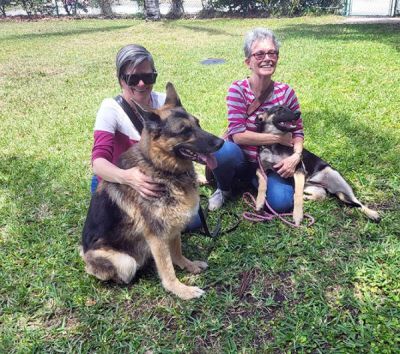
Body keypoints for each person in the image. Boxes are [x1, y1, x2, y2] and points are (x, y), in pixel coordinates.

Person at [90, 44, 201, 229]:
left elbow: (180, 142)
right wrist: (128, 177)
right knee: (148, 227)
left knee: (191, 221)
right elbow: (98, 163)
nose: (141, 84)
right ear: (121, 80)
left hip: (155, 179)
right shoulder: (111, 108)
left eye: (148, 76)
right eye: (133, 78)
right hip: (119, 181)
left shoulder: (164, 104)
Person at [208, 28, 304, 213]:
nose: (267, 58)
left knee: (282, 203)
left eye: (272, 53)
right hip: (242, 159)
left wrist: (295, 156)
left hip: (270, 162)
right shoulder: (237, 90)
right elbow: (238, 136)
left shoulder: (286, 92)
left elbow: (298, 130)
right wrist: (277, 139)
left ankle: (251, 183)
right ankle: (224, 189)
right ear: (248, 62)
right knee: (223, 149)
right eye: (259, 54)